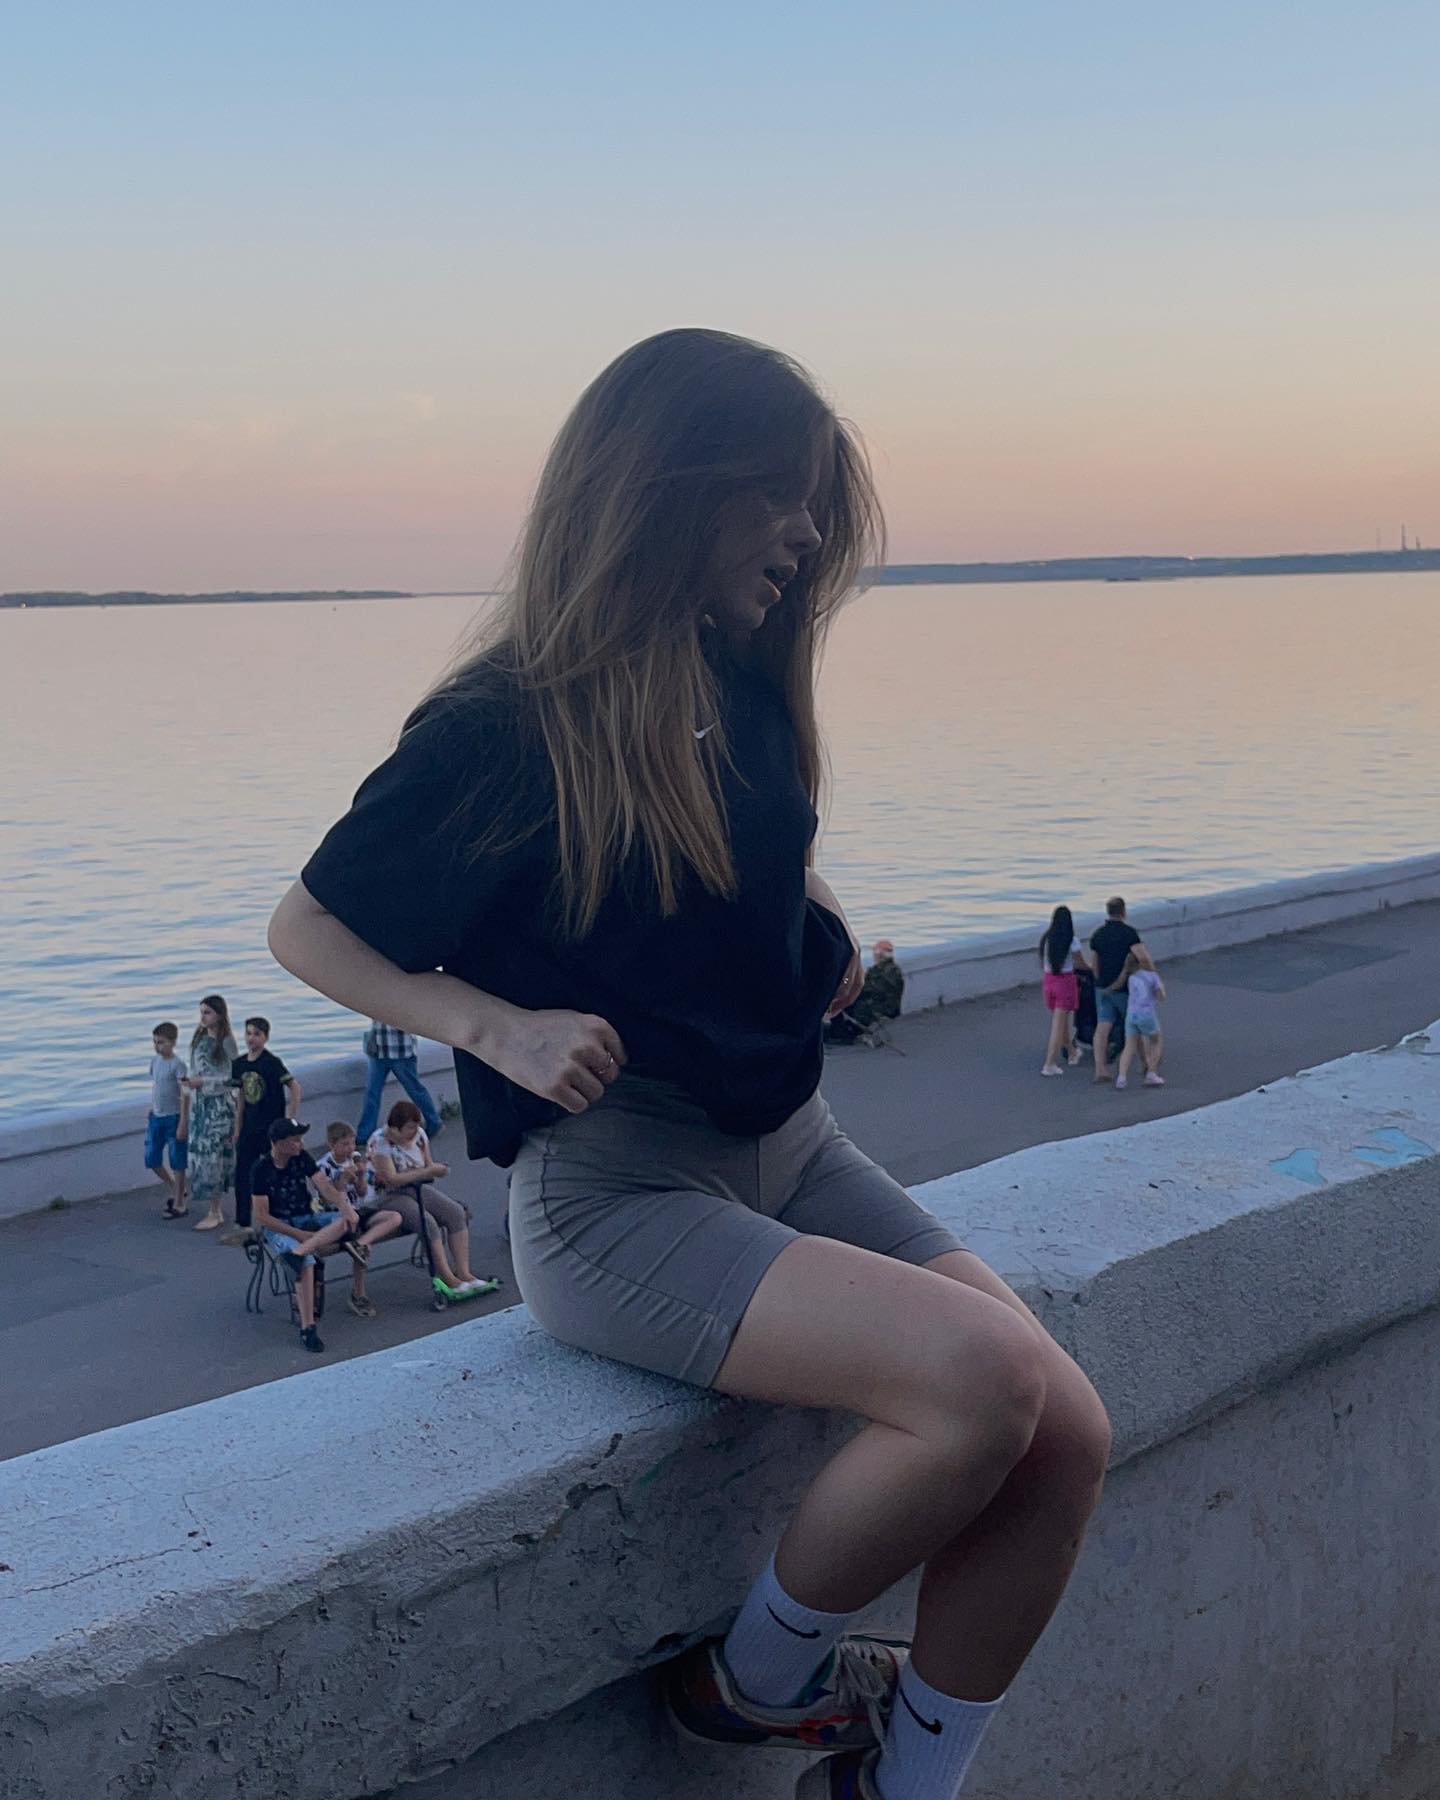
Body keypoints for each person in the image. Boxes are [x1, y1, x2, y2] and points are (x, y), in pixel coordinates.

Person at [270, 328, 1110, 1800]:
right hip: (618, 1196)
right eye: (777, 495)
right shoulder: (507, 722)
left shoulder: (740, 681)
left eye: (815, 505)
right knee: (982, 1384)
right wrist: (496, 1027)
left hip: (792, 1144)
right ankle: (751, 1684)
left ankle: (905, 1786)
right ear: (664, 489)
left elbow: (744, 857)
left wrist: (817, 920)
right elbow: (308, 926)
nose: (805, 534)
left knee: (1067, 1434)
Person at [251, 1119, 401, 1352]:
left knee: (344, 1221)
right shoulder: (261, 1169)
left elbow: (324, 1186)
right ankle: (308, 1327)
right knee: (307, 1263)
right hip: (280, 1225)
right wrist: (298, 1233)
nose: (301, 1144)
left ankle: (299, 1252)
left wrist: (344, 1206)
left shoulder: (301, 1157)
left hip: (306, 1217)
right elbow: (263, 1216)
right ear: (279, 1144)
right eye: (295, 1140)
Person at [366, 1102, 493, 1299]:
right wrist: (427, 1172)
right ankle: (447, 1278)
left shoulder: (419, 1135)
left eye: (416, 1126)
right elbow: (392, 1179)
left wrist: (437, 1170)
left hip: (417, 1187)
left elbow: (428, 1165)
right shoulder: (380, 1142)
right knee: (428, 1223)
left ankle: (464, 1272)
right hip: (389, 1195)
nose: (414, 1132)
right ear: (395, 1129)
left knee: (455, 1213)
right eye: (409, 1128)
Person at [224, 1016, 303, 1246]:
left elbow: (294, 1086)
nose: (251, 1038)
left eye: (257, 1034)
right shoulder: (239, 1064)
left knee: (274, 1172)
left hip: (271, 1129)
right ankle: (243, 1222)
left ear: (266, 1037)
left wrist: (290, 1119)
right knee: (243, 1174)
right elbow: (240, 1099)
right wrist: (237, 1127)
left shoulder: (272, 1062)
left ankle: (279, 1220)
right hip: (249, 1128)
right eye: (248, 1033)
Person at [315, 1121, 397, 1318]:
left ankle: (361, 1244)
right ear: (332, 1144)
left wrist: (360, 1177)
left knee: (394, 1217)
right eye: (344, 1144)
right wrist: (343, 1180)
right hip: (338, 1216)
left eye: (352, 1143)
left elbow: (362, 1193)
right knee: (356, 1232)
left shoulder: (354, 1160)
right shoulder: (322, 1166)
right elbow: (326, 1199)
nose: (350, 1148)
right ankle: (358, 1294)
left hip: (359, 1210)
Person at [178, 994, 239, 1232]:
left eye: (208, 1012)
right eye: (201, 1012)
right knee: (202, 1157)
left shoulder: (226, 1042)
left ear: (219, 1015)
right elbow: (194, 1071)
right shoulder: (199, 1040)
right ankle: (213, 1208)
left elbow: (233, 1078)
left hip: (219, 1108)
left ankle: (215, 1210)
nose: (203, 1017)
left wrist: (203, 1082)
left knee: (215, 1157)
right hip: (200, 1106)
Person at [356, 1020, 442, 1144]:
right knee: (372, 1093)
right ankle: (365, 1135)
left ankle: (434, 1122)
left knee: (415, 1090)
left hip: (401, 1050)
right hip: (378, 1047)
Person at [1087, 896, 1143, 1084]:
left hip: (1102, 987)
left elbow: (1095, 963)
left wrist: (1099, 982)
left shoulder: (1098, 934)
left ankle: (1100, 1068)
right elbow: (1140, 957)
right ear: (1123, 911)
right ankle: (1146, 1063)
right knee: (1135, 1024)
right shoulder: (1130, 934)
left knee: (1103, 1026)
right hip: (1124, 988)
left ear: (1108, 911)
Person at [144, 1021, 189, 1216]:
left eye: (161, 1042)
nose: (157, 1046)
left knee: (177, 1160)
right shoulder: (155, 1062)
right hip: (157, 1116)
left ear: (173, 1042)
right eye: (155, 1042)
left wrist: (183, 1121)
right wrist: (153, 1107)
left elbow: (184, 1093)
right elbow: (157, 1086)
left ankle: (179, 1203)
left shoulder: (178, 1065)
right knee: (151, 1158)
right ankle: (175, 1186)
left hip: (173, 1117)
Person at [823, 939, 905, 1046]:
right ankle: (843, 1028)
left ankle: (840, 1033)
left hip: (880, 1009)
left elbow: (868, 989)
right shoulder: (892, 969)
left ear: (879, 954)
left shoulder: (883, 971)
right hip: (887, 1006)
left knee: (840, 1002)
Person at [1037, 906, 1087, 1077]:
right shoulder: (1071, 941)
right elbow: (1080, 963)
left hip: (1048, 981)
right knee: (1058, 1026)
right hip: (1065, 983)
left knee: (1062, 1021)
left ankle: (1072, 1052)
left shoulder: (1046, 939)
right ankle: (1049, 1064)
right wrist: (1092, 968)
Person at [1109, 946, 1167, 1091]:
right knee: (1156, 1040)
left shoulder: (1131, 977)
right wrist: (1160, 987)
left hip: (1131, 1015)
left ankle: (1121, 1077)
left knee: (1129, 1047)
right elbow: (1161, 997)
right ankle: (1152, 1073)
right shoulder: (1152, 976)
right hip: (1146, 1014)